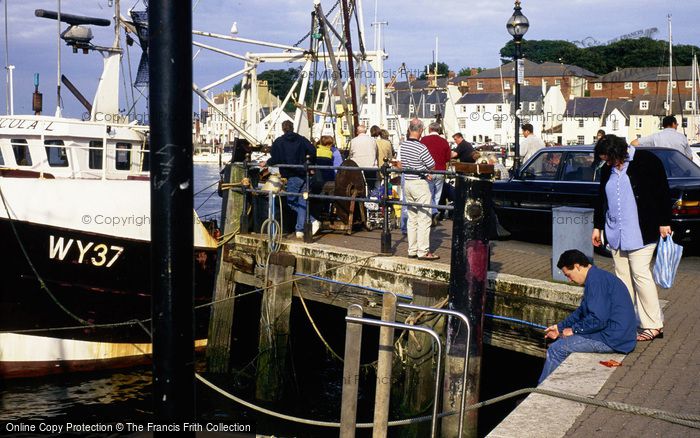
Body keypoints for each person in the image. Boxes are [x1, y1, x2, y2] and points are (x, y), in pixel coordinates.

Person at [592, 134, 671, 342]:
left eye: (608, 159)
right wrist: (597, 227)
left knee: (640, 274)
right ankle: (625, 320)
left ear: (618, 152)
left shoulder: (647, 161)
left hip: (642, 231)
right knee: (622, 279)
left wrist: (664, 221)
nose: (606, 163)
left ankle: (653, 325)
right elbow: (601, 197)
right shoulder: (608, 168)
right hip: (615, 232)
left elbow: (663, 191)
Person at [539, 250, 637, 384]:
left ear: (577, 266)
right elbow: (582, 312)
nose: (569, 280)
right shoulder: (596, 277)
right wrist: (559, 327)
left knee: (556, 349)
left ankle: (542, 390)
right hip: (616, 334)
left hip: (613, 339)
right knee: (564, 339)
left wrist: (574, 330)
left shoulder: (595, 282)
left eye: (569, 274)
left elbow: (598, 319)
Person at [261, 120, 321, 239]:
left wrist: (266, 163)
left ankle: (312, 221)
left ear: (283, 129)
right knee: (302, 201)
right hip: (304, 173)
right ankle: (299, 230)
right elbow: (313, 150)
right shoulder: (302, 139)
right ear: (293, 128)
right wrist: (309, 164)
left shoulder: (279, 142)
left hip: (292, 175)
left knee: (291, 201)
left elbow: (276, 158)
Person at [399, 118, 438, 260]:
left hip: (408, 183)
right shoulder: (421, 147)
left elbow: (404, 164)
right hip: (420, 184)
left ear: (410, 129)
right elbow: (432, 165)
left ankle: (412, 249)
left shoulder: (403, 145)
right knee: (424, 218)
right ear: (421, 130)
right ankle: (423, 251)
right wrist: (424, 172)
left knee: (412, 218)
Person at [631, 115, 700, 166]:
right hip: (679, 171)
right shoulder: (682, 137)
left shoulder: (655, 137)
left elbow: (634, 143)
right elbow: (690, 158)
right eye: (677, 124)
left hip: (661, 170)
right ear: (673, 124)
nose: (677, 126)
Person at [421, 122, 452, 225]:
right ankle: (434, 213)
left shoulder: (424, 140)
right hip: (440, 171)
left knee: (428, 194)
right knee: (437, 195)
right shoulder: (444, 141)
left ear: (429, 129)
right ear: (438, 130)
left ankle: (429, 215)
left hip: (428, 171)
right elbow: (448, 158)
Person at [348, 124, 378, 190]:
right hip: (370, 165)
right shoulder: (372, 140)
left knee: (357, 184)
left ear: (357, 132)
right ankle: (371, 193)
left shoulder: (353, 141)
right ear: (366, 131)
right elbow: (376, 151)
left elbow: (350, 154)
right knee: (371, 184)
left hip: (357, 166)